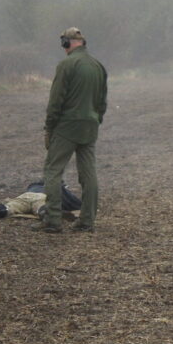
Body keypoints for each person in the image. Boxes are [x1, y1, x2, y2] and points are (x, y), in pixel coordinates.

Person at [41, 27, 108, 233]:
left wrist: (49, 128)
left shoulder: (66, 64)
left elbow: (56, 101)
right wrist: (96, 120)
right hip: (90, 125)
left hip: (67, 126)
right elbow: (102, 101)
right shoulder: (98, 66)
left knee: (53, 170)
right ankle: (87, 220)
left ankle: (52, 220)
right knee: (88, 173)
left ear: (67, 43)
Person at [0, 180, 81, 221]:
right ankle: (48, 215)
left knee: (10, 207)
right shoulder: (58, 187)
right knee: (41, 208)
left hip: (26, 196)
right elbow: (76, 204)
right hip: (43, 197)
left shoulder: (33, 186)